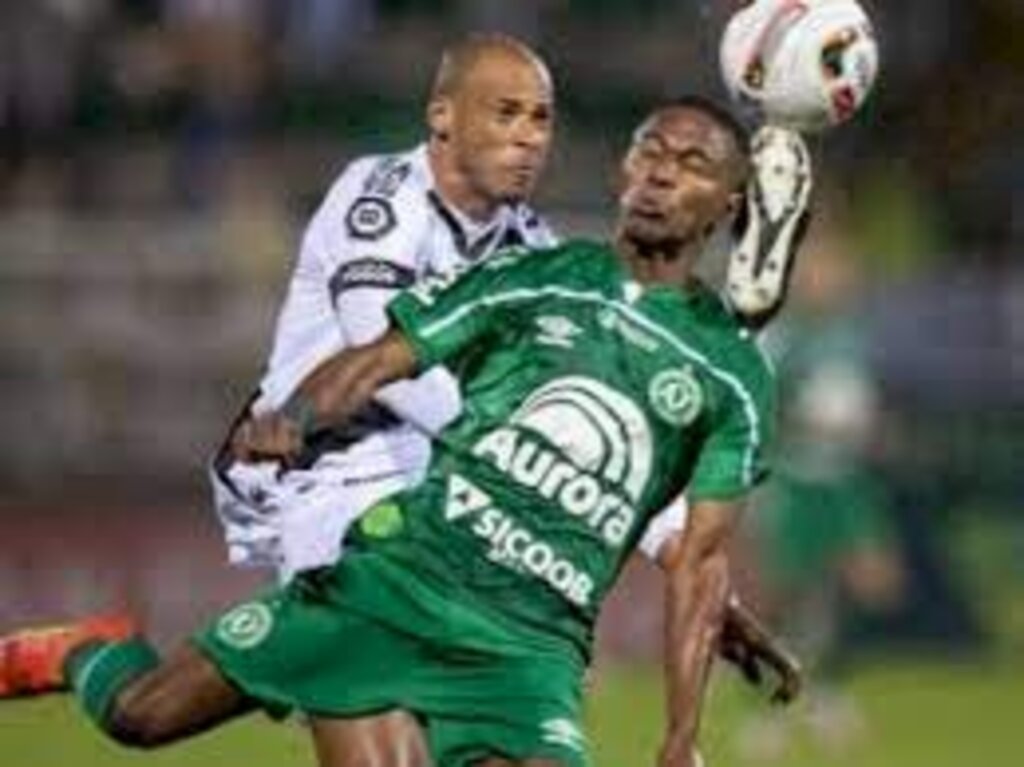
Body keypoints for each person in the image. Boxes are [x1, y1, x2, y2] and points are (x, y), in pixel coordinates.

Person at [6, 96, 790, 767]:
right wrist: (296, 417)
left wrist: (682, 737)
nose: (660, 171)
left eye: (689, 162)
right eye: (649, 149)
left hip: (526, 648)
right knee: (140, 715)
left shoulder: (732, 375)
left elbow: (703, 560)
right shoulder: (534, 276)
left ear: (727, 203)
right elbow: (379, 355)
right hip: (394, 583)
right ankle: (82, 646)